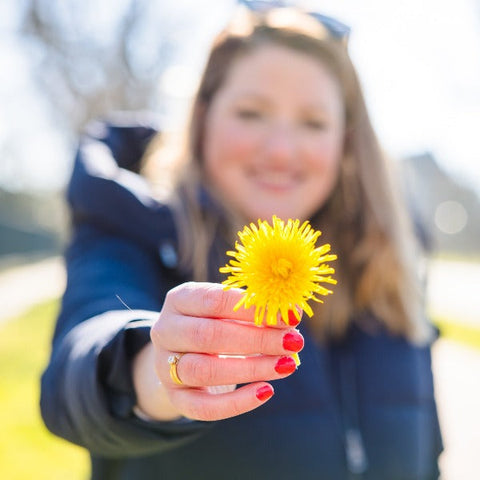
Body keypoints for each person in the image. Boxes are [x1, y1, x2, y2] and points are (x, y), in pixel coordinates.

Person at [40, 5, 443, 479]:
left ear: (347, 143)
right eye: (251, 113)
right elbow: (75, 374)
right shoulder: (130, 223)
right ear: (203, 118)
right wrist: (158, 370)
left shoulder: (385, 259)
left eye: (313, 122)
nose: (279, 150)